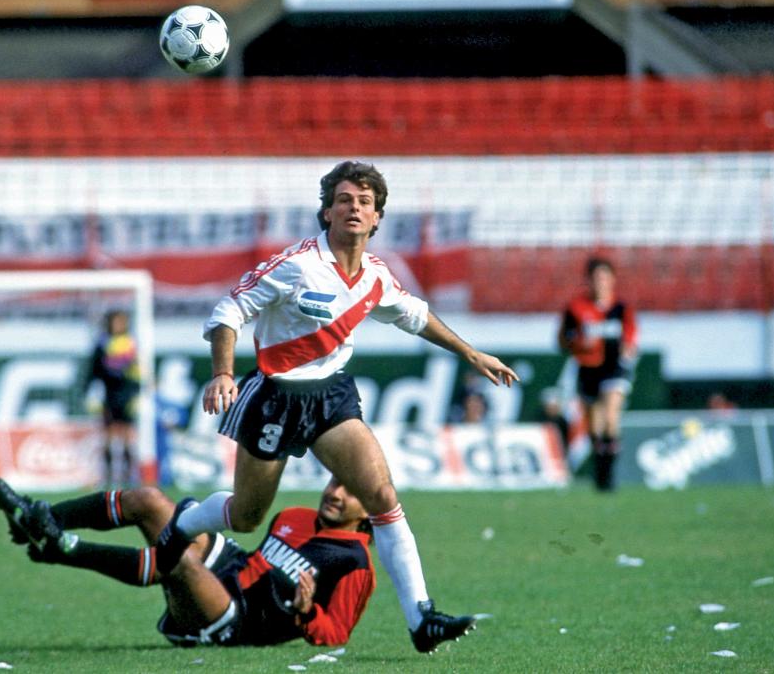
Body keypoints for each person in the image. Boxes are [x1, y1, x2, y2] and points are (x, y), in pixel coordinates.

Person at [156, 161, 519, 654]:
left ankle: (421, 620)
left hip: (330, 396)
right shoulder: (297, 264)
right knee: (245, 517)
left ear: (376, 220)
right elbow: (228, 311)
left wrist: (471, 353)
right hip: (275, 397)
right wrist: (223, 372)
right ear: (327, 211)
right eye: (345, 199)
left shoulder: (375, 277)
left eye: (365, 202)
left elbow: (416, 316)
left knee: (382, 497)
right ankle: (182, 526)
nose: (355, 208)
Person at [0, 476, 376, 648]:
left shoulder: (355, 562)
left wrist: (307, 613)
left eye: (350, 490)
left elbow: (337, 632)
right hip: (232, 569)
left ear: (368, 509)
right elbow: (258, 563)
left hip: (238, 620)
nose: (336, 493)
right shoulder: (294, 515)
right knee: (148, 500)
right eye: (334, 482)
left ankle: (62, 549)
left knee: (180, 561)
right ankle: (41, 519)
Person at [557, 256, 637, 492]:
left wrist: (629, 348)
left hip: (614, 369)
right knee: (595, 427)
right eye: (596, 277)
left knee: (611, 417)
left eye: (605, 277)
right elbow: (563, 340)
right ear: (589, 281)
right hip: (588, 369)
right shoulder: (576, 308)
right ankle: (600, 472)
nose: (601, 282)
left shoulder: (621, 308)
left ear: (612, 280)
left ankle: (610, 476)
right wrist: (580, 342)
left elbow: (631, 336)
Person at [85, 310, 140, 486]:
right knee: (108, 437)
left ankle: (128, 477)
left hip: (126, 396)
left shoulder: (130, 344)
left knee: (127, 437)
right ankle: (107, 477)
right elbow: (93, 372)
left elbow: (137, 373)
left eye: (121, 322)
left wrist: (136, 394)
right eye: (115, 322)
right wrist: (91, 392)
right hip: (109, 396)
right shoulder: (102, 344)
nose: (117, 325)